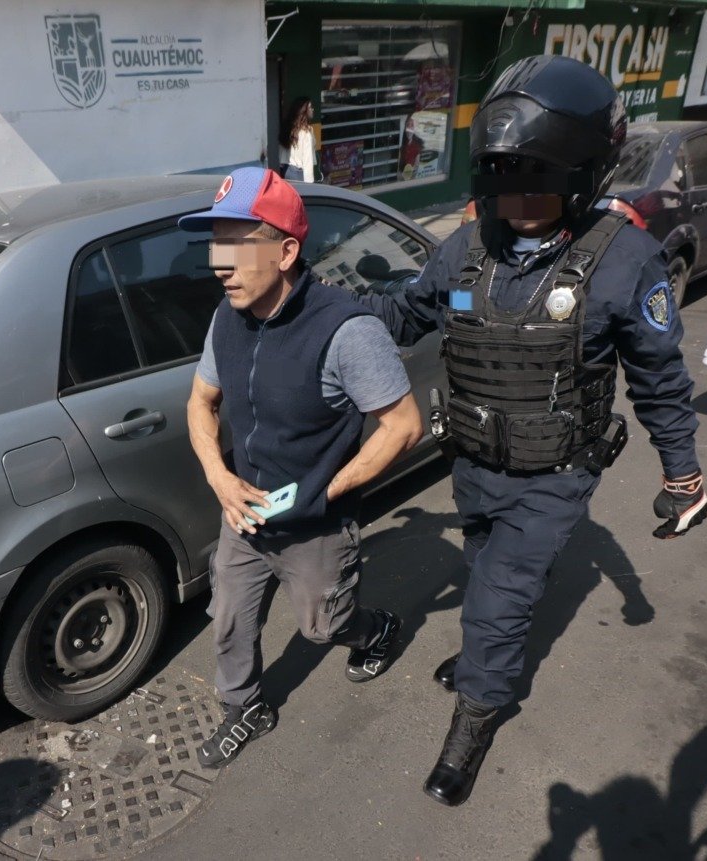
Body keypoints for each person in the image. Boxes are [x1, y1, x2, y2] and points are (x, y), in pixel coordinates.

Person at [353, 56, 707, 807]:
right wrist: (320, 311)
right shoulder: (466, 246)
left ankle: (475, 719)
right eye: (503, 176)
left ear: (581, 173)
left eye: (533, 177)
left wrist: (682, 475)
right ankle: (488, 655)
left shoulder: (623, 260)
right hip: (474, 460)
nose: (515, 196)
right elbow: (407, 314)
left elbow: (659, 379)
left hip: (553, 475)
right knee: (485, 571)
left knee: (500, 599)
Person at [181, 167, 422, 769]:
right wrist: (218, 477)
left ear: (286, 251)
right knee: (230, 621)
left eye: (237, 243)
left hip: (314, 523)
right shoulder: (227, 319)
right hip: (245, 510)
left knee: (323, 627)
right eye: (216, 244)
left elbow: (404, 426)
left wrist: (321, 492)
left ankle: (373, 630)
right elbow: (199, 402)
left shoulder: (347, 331)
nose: (220, 263)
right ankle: (247, 710)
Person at [278, 98, 319, 183]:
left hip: (286, 170)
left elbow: (281, 151)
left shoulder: (289, 129)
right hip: (299, 173)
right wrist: (310, 185)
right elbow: (308, 160)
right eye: (310, 107)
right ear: (304, 111)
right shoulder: (306, 132)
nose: (313, 109)